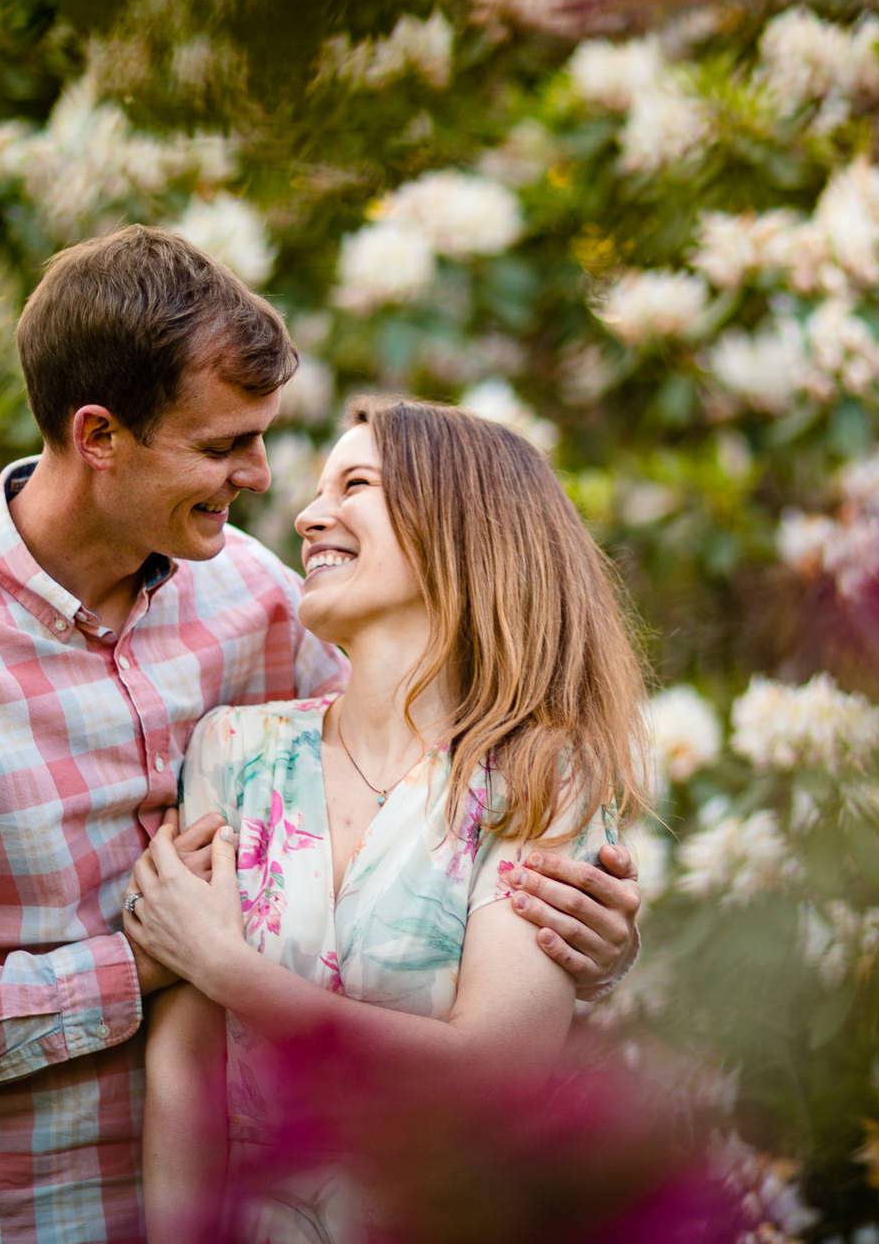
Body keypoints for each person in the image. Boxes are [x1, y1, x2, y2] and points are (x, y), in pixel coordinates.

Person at [0, 226, 644, 1243]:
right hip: (23, 1215)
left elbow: (435, 803)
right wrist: (138, 966)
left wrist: (588, 937)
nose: (266, 478)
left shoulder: (257, 602)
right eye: (224, 444)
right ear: (99, 436)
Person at [121, 397, 652, 1242]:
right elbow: (187, 1070)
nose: (306, 514)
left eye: (354, 482)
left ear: (460, 525)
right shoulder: (235, 752)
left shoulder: (537, 775)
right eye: (318, 489)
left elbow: (496, 1072)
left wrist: (231, 967)